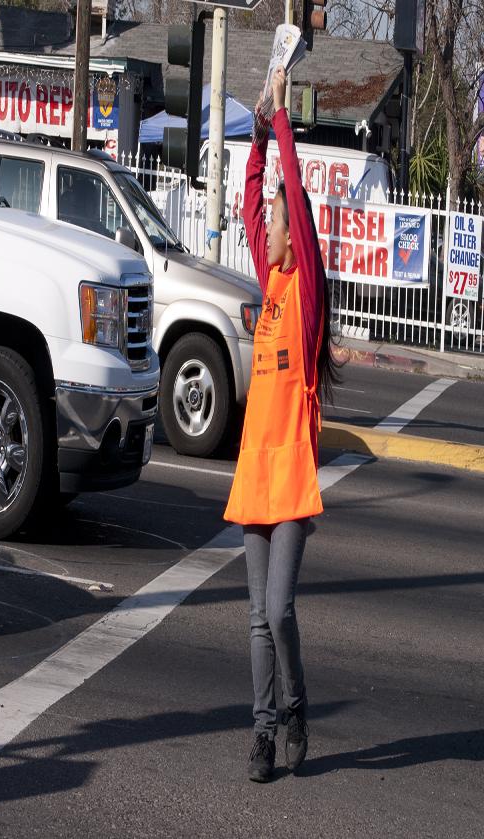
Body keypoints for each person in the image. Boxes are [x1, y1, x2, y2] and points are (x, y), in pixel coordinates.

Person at [224, 65, 339, 783]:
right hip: (252, 480)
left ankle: (297, 707)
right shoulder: (268, 296)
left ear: (292, 240)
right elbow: (251, 200)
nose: (264, 227)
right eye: (265, 224)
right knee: (256, 621)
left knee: (280, 608)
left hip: (291, 480)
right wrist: (260, 137)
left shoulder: (301, 297)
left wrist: (285, 125)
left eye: (274, 225)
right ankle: (265, 732)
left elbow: (290, 200)